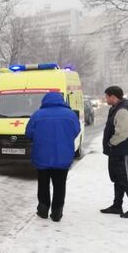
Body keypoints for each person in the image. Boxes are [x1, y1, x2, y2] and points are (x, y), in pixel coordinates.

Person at [25, 92, 81, 222]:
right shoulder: (70, 114)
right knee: (60, 185)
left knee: (43, 183)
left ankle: (43, 209)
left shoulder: (37, 115)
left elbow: (28, 134)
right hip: (63, 156)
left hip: (42, 156)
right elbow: (76, 131)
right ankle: (57, 212)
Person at [100, 86, 128, 218]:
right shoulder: (117, 109)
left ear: (113, 96)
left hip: (122, 151)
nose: (105, 99)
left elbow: (122, 133)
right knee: (118, 179)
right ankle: (117, 206)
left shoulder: (123, 111)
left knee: (126, 179)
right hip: (116, 151)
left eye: (107, 96)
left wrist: (110, 143)